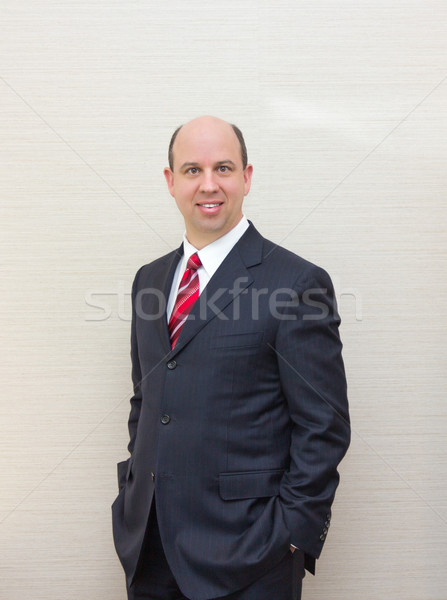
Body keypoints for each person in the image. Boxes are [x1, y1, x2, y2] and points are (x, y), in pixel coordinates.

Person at [112, 116, 350, 600]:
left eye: (223, 167)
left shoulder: (296, 283)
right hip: (150, 546)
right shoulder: (149, 281)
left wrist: (289, 536)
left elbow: (324, 426)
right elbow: (147, 400)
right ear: (170, 181)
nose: (209, 184)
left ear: (246, 176)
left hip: (251, 556)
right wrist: (131, 494)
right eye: (192, 169)